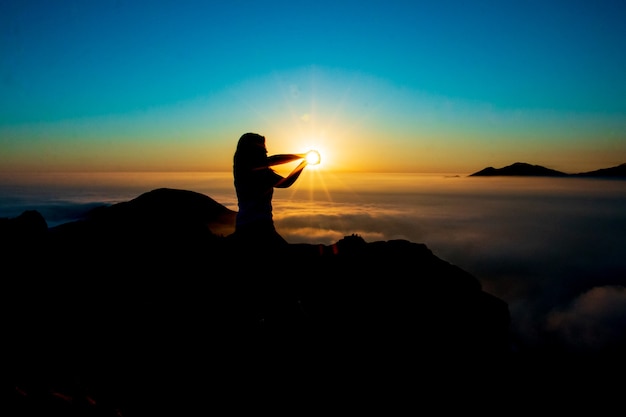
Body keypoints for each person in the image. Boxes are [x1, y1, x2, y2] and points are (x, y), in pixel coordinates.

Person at [230, 132, 309, 248]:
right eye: (263, 151)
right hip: (261, 227)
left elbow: (274, 159)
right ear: (254, 152)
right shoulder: (260, 173)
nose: (266, 153)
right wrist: (304, 163)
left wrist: (301, 156)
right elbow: (286, 183)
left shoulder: (241, 167)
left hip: (243, 224)